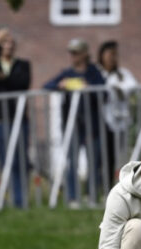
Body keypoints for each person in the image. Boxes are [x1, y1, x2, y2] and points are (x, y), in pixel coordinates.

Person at [44, 38, 105, 206]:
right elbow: (46, 86)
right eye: (71, 52)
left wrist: (89, 87)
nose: (73, 56)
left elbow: (103, 91)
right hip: (72, 125)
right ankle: (72, 198)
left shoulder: (94, 72)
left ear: (85, 54)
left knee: (94, 161)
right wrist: (60, 85)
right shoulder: (67, 73)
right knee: (72, 161)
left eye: (76, 52)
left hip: (92, 124)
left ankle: (92, 196)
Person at [0, 28, 32, 208]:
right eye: (4, 43)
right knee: (5, 161)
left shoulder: (23, 65)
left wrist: (1, 79)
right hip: (0, 120)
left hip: (19, 119)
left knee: (20, 160)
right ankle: (5, 198)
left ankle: (20, 201)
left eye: (11, 43)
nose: (8, 47)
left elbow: (21, 84)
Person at [97, 40, 137, 186]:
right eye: (109, 54)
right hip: (101, 121)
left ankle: (114, 186)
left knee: (115, 156)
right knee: (100, 156)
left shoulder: (122, 74)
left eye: (115, 55)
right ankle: (99, 187)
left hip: (118, 122)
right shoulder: (97, 73)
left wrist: (117, 89)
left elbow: (131, 85)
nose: (112, 58)